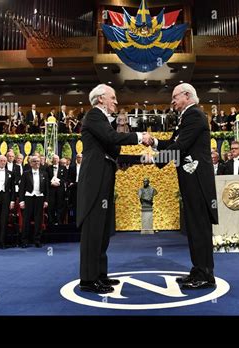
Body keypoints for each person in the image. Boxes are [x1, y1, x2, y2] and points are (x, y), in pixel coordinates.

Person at [77, 84, 149, 294]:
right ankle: (88, 280)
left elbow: (114, 154)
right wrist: (139, 137)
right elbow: (112, 140)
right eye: (113, 97)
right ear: (100, 99)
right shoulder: (93, 116)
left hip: (105, 180)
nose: (116, 102)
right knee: (93, 230)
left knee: (102, 230)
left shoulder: (103, 122)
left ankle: (100, 275)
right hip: (94, 182)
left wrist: (141, 159)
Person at [148, 83, 218, 289]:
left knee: (199, 227)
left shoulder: (194, 115)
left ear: (187, 96)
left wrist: (155, 160)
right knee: (194, 227)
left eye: (175, 97)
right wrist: (153, 142)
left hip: (197, 180)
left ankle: (205, 274)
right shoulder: (186, 117)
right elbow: (172, 142)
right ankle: (198, 270)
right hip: (190, 180)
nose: (172, 102)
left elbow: (180, 147)